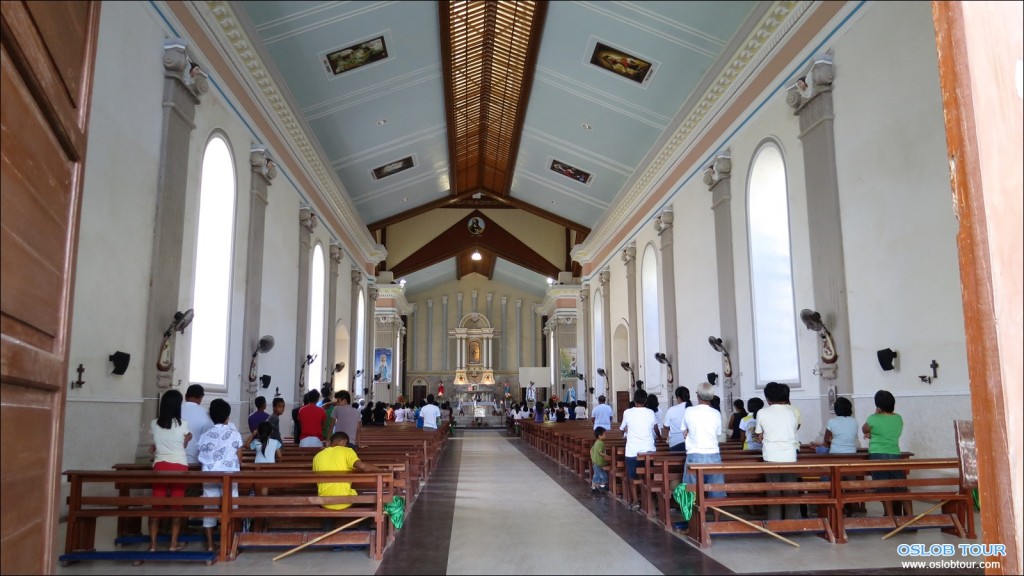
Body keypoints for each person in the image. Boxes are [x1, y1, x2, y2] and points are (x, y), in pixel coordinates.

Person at [148, 389, 191, 552]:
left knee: (156, 506)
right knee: (176, 506)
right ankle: (173, 543)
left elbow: (158, 441)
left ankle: (153, 544)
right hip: (179, 466)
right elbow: (182, 444)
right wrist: (187, 439)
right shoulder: (183, 424)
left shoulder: (154, 423)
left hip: (160, 466)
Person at [197, 399, 242, 552]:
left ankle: (210, 545)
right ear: (227, 417)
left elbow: (200, 455)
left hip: (209, 475)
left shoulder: (204, 435)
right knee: (231, 506)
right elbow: (240, 458)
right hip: (229, 475)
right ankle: (228, 544)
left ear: (211, 415)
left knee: (209, 507)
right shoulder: (234, 434)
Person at [754, 382, 800, 520]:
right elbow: (794, 429)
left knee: (773, 491)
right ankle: (793, 522)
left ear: (767, 398)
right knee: (791, 491)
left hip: (771, 455)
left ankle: (774, 522)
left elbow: (758, 434)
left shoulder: (762, 412)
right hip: (790, 455)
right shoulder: (792, 411)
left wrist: (763, 435)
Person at [862, 390, 908, 516]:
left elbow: (864, 429)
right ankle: (910, 517)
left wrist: (875, 414)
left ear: (878, 406)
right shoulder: (898, 418)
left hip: (877, 454)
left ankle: (890, 516)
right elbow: (889, 434)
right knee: (901, 487)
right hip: (894, 454)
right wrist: (874, 435)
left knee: (883, 487)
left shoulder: (873, 418)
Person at [312, 432, 380, 510]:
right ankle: (362, 522)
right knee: (372, 501)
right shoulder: (347, 451)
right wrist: (381, 470)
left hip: (324, 502)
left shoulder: (317, 457)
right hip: (345, 501)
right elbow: (363, 467)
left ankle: (328, 521)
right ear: (343, 442)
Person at [681, 382, 725, 499]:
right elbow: (718, 433)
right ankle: (716, 517)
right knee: (716, 489)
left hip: (695, 453)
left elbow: (684, 430)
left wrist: (689, 432)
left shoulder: (689, 411)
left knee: (691, 489)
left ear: (698, 395)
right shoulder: (716, 413)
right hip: (713, 453)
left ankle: (692, 516)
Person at [619, 389, 657, 511]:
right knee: (649, 475)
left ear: (634, 400)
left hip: (632, 450)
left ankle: (635, 501)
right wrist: (661, 438)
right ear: (645, 401)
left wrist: (625, 431)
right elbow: (655, 428)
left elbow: (622, 428)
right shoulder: (651, 413)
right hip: (648, 450)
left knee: (632, 476)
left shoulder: (627, 412)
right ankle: (651, 500)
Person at [182, 384, 213, 465]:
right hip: (195, 459)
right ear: (201, 397)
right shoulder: (206, 413)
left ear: (185, 396)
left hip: (175, 458)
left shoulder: (175, 409)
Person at [663, 386, 691, 453]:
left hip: (675, 443)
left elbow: (665, 426)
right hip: (690, 443)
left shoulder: (672, 410)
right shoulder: (692, 409)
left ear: (678, 398)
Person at [590, 427, 609, 493]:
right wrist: (606, 456)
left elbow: (591, 450)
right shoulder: (601, 443)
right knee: (603, 475)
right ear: (599, 436)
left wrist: (593, 457)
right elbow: (600, 452)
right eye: (604, 434)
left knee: (596, 475)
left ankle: (594, 487)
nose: (605, 435)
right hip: (598, 462)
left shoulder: (596, 442)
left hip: (595, 462)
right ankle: (602, 486)